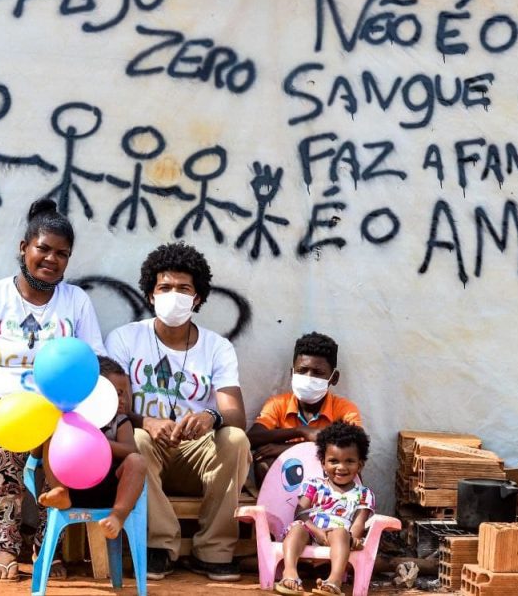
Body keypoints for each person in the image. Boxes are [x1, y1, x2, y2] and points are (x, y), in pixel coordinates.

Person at [0, 198, 105, 581]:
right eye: (43, 248)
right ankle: (5, 546)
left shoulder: (76, 302)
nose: (51, 259)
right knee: (6, 435)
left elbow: (96, 360)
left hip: (57, 409)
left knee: (66, 444)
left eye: (61, 254)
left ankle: (48, 547)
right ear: (23, 248)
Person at [105, 242, 250, 582]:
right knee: (135, 436)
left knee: (235, 438)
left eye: (184, 288)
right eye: (165, 287)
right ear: (151, 294)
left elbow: (236, 415)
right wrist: (147, 421)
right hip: (147, 450)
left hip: (195, 454)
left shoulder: (217, 347)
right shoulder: (125, 339)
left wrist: (210, 418)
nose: (174, 295)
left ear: (198, 297)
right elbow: (110, 406)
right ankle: (159, 546)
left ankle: (213, 551)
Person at [38, 356, 148, 539]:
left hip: (111, 490)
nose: (122, 400)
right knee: (52, 438)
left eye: (124, 393)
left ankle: (118, 517)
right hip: (73, 489)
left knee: (137, 461)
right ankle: (60, 491)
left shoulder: (119, 422)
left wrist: (99, 443)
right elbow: (39, 452)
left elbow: (131, 450)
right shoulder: (70, 417)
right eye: (116, 393)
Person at [276, 422, 375, 596]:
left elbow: (359, 523)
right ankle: (290, 571)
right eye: (333, 461)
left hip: (340, 537)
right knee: (298, 527)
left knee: (340, 533)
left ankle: (334, 580)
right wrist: (318, 531)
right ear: (323, 463)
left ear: (360, 465)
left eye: (349, 461)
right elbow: (300, 512)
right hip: (312, 530)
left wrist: (352, 538)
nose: (341, 467)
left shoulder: (363, 493)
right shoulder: (314, 484)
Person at [248, 332, 361, 484]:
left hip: (330, 485)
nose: (308, 378)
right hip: (288, 483)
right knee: (264, 462)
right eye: (302, 371)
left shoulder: (345, 409)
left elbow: (355, 449)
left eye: (318, 373)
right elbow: (252, 438)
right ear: (292, 373)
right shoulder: (278, 404)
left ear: (334, 378)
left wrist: (287, 448)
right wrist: (300, 431)